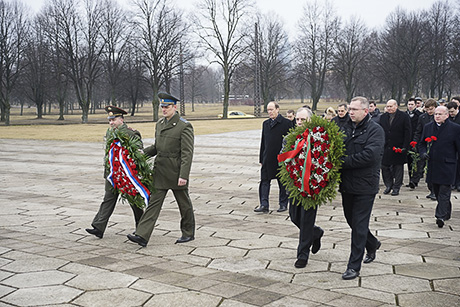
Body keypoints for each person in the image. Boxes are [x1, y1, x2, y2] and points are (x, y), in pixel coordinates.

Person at [127, 93, 195, 247]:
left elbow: (187, 154)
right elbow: (157, 147)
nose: (164, 109)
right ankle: (142, 235)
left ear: (174, 107)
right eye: (162, 107)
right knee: (153, 204)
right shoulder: (159, 124)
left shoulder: (184, 126)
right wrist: (142, 154)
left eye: (167, 107)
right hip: (160, 171)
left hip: (176, 171)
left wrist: (183, 175)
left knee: (184, 205)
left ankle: (188, 233)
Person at [339, 96, 384, 280]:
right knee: (352, 221)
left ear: (366, 111)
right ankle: (372, 243)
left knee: (358, 225)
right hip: (347, 184)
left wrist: (343, 162)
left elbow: (370, 156)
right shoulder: (345, 129)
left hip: (365, 186)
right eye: (349, 109)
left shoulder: (375, 130)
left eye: (354, 109)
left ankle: (353, 266)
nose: (350, 112)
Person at [86, 106, 144, 239]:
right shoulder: (110, 133)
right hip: (112, 174)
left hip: (126, 175)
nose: (111, 122)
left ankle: (141, 228)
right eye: (110, 120)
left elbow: (139, 153)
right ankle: (98, 227)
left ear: (121, 119)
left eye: (114, 119)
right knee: (108, 199)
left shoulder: (131, 133)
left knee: (134, 202)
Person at [285, 107, 324, 268]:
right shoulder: (290, 137)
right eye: (297, 120)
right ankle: (316, 233)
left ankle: (302, 254)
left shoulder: (319, 139)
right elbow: (283, 155)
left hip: (311, 186)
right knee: (294, 217)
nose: (299, 122)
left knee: (306, 221)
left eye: (303, 120)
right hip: (295, 185)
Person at [419, 106, 460, 228]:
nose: (437, 116)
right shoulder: (428, 127)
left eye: (440, 114)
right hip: (433, 165)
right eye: (436, 114)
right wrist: (423, 153)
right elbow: (421, 143)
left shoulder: (455, 128)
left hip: (448, 165)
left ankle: (440, 216)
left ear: (447, 115)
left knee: (444, 191)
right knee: (436, 190)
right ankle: (446, 209)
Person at [255, 101, 294, 213]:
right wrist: (261, 158)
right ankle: (264, 204)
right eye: (268, 110)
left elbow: (291, 142)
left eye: (271, 109)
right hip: (267, 157)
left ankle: (283, 204)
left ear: (277, 109)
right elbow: (263, 142)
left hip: (281, 158)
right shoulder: (265, 124)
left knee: (282, 182)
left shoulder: (286, 123)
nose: (270, 112)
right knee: (264, 181)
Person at [379, 99, 411, 196]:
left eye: (391, 106)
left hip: (398, 146)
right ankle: (389, 185)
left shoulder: (404, 117)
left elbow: (408, 132)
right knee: (384, 167)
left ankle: (396, 187)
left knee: (398, 168)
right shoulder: (383, 117)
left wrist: (405, 147)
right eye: (387, 106)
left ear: (396, 106)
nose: (389, 108)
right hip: (386, 147)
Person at [413, 99, 437, 199]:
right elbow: (418, 131)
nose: (429, 111)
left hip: (436, 145)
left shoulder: (438, 117)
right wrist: (415, 143)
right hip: (425, 145)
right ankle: (429, 188)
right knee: (422, 166)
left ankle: (434, 190)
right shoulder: (422, 118)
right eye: (427, 109)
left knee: (434, 169)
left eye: (431, 109)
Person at [405, 98, 422, 189]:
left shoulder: (420, 115)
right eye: (409, 104)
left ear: (416, 105)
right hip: (407, 141)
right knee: (409, 161)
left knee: (416, 161)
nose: (410, 106)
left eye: (412, 104)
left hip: (416, 141)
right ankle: (411, 179)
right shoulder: (404, 115)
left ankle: (415, 180)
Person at [446, 101, 460, 191]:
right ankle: (453, 182)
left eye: (452, 112)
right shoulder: (448, 118)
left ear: (457, 109)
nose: (451, 114)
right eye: (449, 112)